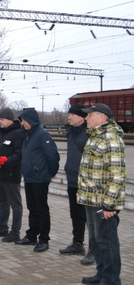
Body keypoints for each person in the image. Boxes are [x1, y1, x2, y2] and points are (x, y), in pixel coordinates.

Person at [78, 103, 126, 285]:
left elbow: (117, 175)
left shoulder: (111, 139)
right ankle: (101, 273)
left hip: (103, 203)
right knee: (96, 241)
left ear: (102, 117)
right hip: (90, 200)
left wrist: (109, 205)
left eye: (90, 116)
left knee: (107, 242)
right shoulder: (95, 137)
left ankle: (112, 280)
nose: (87, 118)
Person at [15, 108, 60, 253]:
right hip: (29, 178)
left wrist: (51, 172)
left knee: (41, 209)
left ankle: (44, 239)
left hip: (40, 178)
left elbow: (53, 156)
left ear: (31, 121)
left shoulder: (42, 135)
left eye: (24, 121)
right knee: (32, 208)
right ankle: (32, 235)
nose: (22, 123)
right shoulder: (27, 135)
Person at [58, 104, 94, 265]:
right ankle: (77, 243)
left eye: (72, 114)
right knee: (76, 214)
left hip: (86, 181)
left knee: (90, 218)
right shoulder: (70, 132)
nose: (69, 117)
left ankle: (94, 249)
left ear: (82, 117)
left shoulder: (89, 133)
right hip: (72, 180)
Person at [0, 108, 24, 243]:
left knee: (15, 204)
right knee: (2, 202)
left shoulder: (18, 134)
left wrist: (5, 162)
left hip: (11, 174)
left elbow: (19, 155)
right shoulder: (0, 134)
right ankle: (3, 227)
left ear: (9, 120)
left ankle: (15, 231)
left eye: (1, 119)